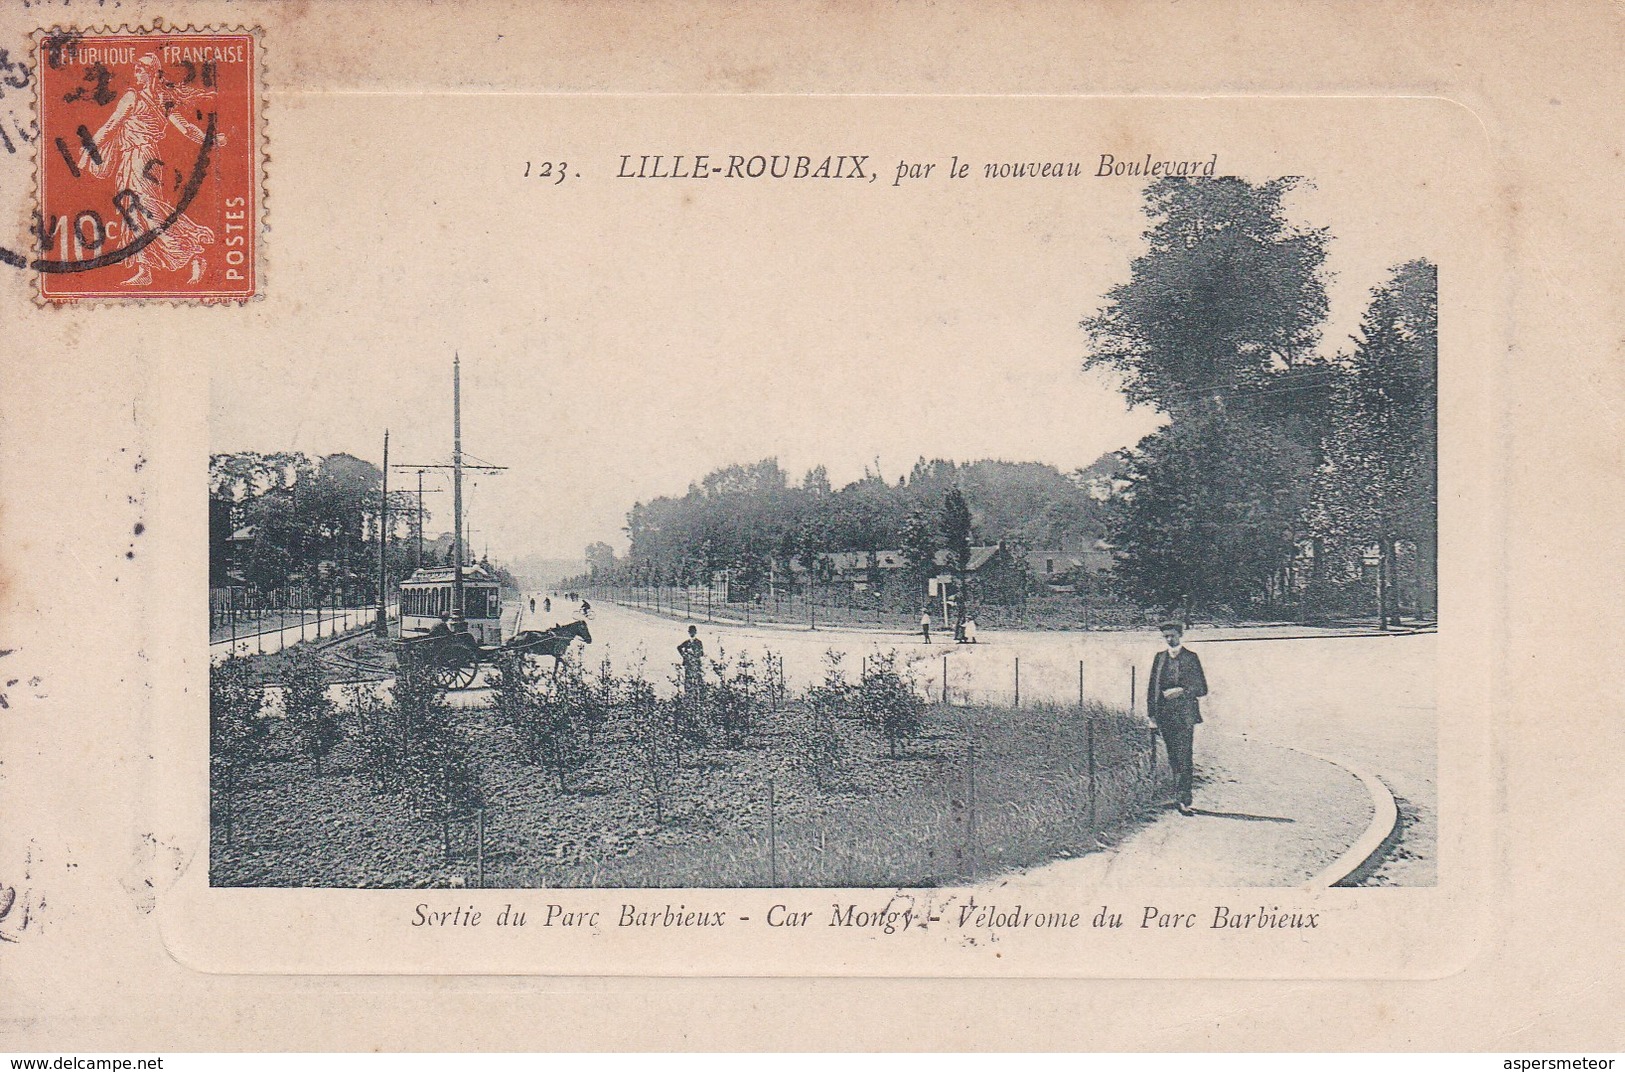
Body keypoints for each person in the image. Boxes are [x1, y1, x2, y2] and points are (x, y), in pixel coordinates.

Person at [77, 54, 223, 286]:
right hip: (138, 159)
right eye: (135, 68)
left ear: (151, 72)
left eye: (140, 69)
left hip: (140, 158)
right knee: (133, 212)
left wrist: (211, 139)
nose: (136, 72)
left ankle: (193, 252)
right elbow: (112, 125)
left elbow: (112, 126)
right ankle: (145, 270)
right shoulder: (147, 97)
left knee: (148, 210)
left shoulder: (140, 98)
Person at [1146, 620, 1208, 815]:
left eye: (1172, 635)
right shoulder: (1160, 658)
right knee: (1173, 757)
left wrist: (1181, 691)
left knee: (1184, 756)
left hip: (1185, 715)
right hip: (1165, 715)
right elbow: (1152, 689)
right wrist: (1152, 716)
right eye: (1166, 636)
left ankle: (1184, 800)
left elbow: (1202, 688)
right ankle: (1175, 797)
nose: (1169, 639)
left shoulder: (1191, 658)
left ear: (1180, 635)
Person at [677, 625, 705, 717]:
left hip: (696, 663)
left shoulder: (699, 642)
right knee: (688, 678)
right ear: (689, 632)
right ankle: (688, 692)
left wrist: (694, 653)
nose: (692, 633)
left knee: (698, 677)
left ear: (695, 632)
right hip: (689, 663)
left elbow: (701, 653)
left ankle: (699, 694)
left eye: (693, 632)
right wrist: (685, 655)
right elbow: (679, 647)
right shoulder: (687, 642)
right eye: (690, 632)